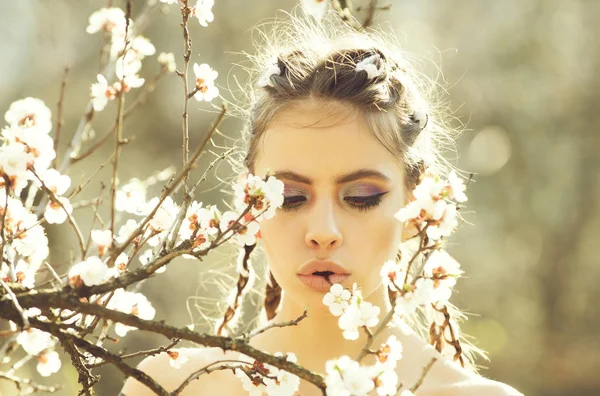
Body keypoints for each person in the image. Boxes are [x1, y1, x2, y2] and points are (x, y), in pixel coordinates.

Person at [121, 8, 524, 396]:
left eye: (361, 198)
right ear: (249, 206)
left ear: (420, 209)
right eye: (291, 197)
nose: (323, 232)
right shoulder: (170, 386)